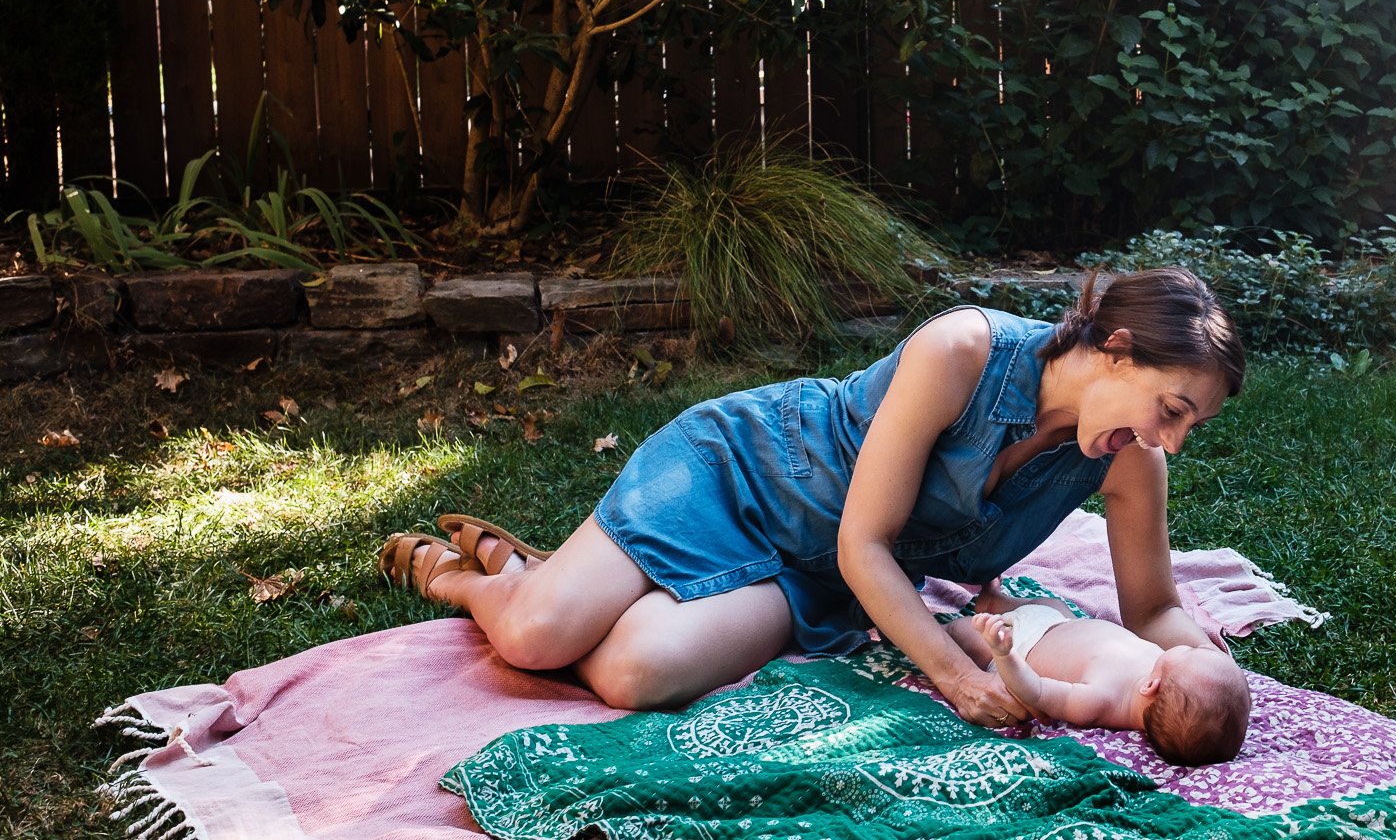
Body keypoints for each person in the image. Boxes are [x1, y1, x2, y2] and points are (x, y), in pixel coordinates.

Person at [379, 267, 1245, 729]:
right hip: (744, 472)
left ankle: (555, 574)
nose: (1169, 439)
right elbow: (869, 539)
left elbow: (1156, 606)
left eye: (1189, 426)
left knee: (630, 674)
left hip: (818, 580)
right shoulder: (964, 350)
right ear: (1119, 347)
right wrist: (951, 675)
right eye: (1171, 409)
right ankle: (479, 578)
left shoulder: (1129, 462)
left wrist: (1215, 680)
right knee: (537, 635)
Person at [946, 583, 1251, 764]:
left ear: (1151, 686)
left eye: (1190, 652)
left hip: (1022, 647)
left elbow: (1036, 691)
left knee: (963, 634)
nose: (1192, 646)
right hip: (1059, 622)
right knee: (1051, 603)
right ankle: (998, 602)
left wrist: (1004, 655)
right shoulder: (1164, 676)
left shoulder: (1100, 700)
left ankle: (939, 630)